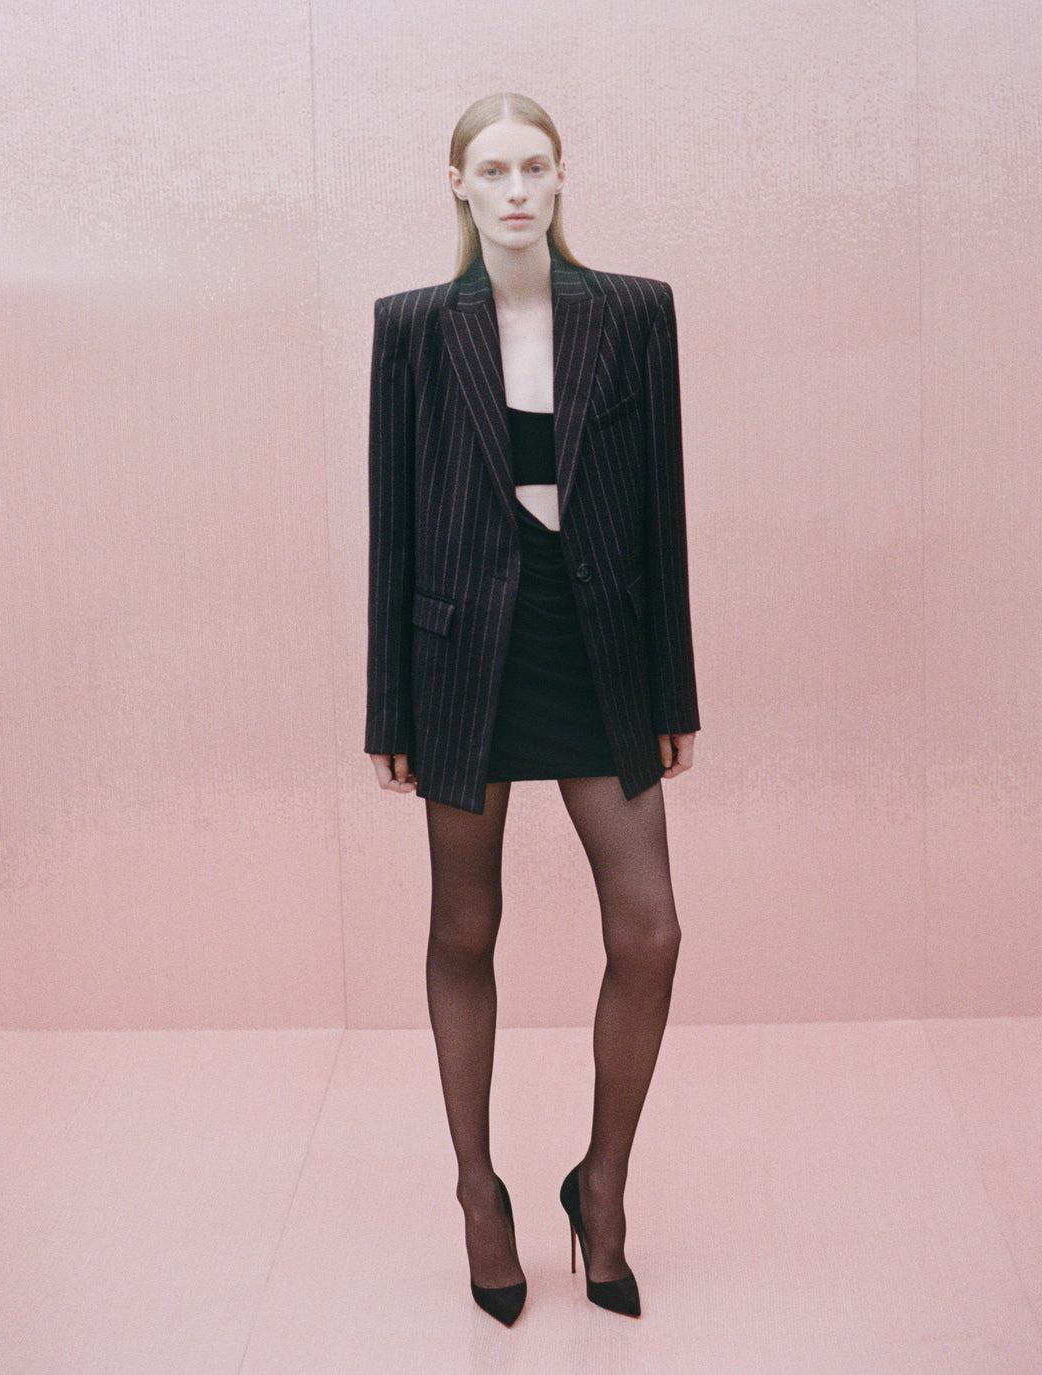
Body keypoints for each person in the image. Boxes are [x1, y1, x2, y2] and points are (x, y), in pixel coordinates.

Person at [366, 92, 699, 1326]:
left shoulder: (632, 312)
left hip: (596, 646)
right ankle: (477, 1194)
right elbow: (392, 521)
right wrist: (389, 708)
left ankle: (599, 1186)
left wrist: (670, 687)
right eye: (493, 170)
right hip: (462, 658)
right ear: (455, 184)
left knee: (648, 931)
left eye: (535, 168)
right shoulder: (412, 328)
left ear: (561, 180)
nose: (516, 190)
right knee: (463, 926)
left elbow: (660, 507)